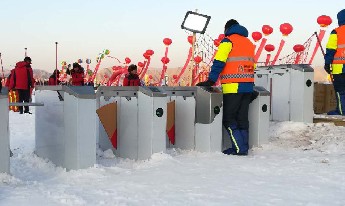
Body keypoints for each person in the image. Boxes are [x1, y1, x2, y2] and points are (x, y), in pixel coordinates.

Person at [197, 19, 255, 156]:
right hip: (247, 87)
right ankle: (244, 147)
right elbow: (253, 65)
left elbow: (219, 61)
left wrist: (211, 80)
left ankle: (239, 148)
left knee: (229, 118)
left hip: (232, 87)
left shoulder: (228, 41)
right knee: (242, 119)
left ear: (227, 28)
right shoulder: (249, 43)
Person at [324, 9, 345, 116]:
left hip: (340, 69)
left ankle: (341, 112)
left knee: (341, 91)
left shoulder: (336, 32)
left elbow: (330, 49)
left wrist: (327, 63)